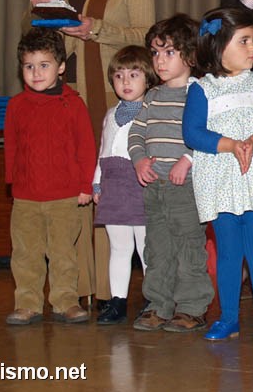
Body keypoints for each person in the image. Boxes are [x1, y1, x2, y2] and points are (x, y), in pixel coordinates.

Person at [27, 0, 156, 309]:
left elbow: (145, 38)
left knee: (105, 190)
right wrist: (37, 6)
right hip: (64, 97)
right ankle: (73, 288)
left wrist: (95, 28)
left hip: (110, 96)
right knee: (73, 190)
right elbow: (40, 37)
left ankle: (107, 291)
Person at [183, 7, 253, 344]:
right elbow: (192, 133)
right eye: (244, 40)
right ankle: (228, 317)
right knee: (229, 252)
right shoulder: (202, 89)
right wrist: (229, 144)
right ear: (218, 45)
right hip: (220, 182)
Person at [128, 14, 214, 333]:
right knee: (157, 247)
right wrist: (139, 159)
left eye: (169, 52)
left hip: (186, 187)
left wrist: (187, 159)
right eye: (155, 52)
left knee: (189, 247)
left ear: (190, 55)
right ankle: (158, 304)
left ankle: (191, 307)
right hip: (155, 187)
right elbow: (136, 134)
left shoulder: (200, 93)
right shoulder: (151, 97)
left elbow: (209, 133)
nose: (159, 60)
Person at [4, 28, 96, 325]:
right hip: (27, 196)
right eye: (29, 66)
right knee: (25, 253)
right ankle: (27, 302)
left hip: (64, 195)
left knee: (62, 253)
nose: (36, 73)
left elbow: (86, 147)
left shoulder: (73, 104)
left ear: (60, 67)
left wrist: (85, 185)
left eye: (44, 65)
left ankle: (65, 301)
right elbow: (12, 146)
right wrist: (12, 183)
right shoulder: (17, 106)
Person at [92, 46, 159, 324]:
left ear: (148, 78)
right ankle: (118, 301)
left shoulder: (152, 112)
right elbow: (103, 150)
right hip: (114, 186)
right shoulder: (111, 114)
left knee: (146, 247)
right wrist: (97, 183)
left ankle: (153, 299)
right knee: (119, 247)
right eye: (119, 76)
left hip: (140, 185)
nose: (126, 82)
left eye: (134, 75)